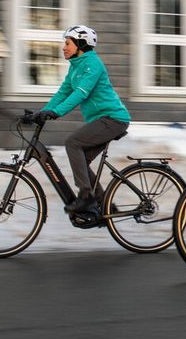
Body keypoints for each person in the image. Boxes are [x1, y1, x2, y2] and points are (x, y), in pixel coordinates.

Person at [31, 25, 131, 215]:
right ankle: (105, 206)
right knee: (81, 163)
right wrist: (42, 112)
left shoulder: (93, 64)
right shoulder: (76, 68)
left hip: (113, 119)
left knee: (73, 142)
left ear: (81, 45)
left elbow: (81, 93)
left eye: (68, 43)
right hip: (102, 120)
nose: (64, 47)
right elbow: (63, 92)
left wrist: (56, 113)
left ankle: (86, 197)